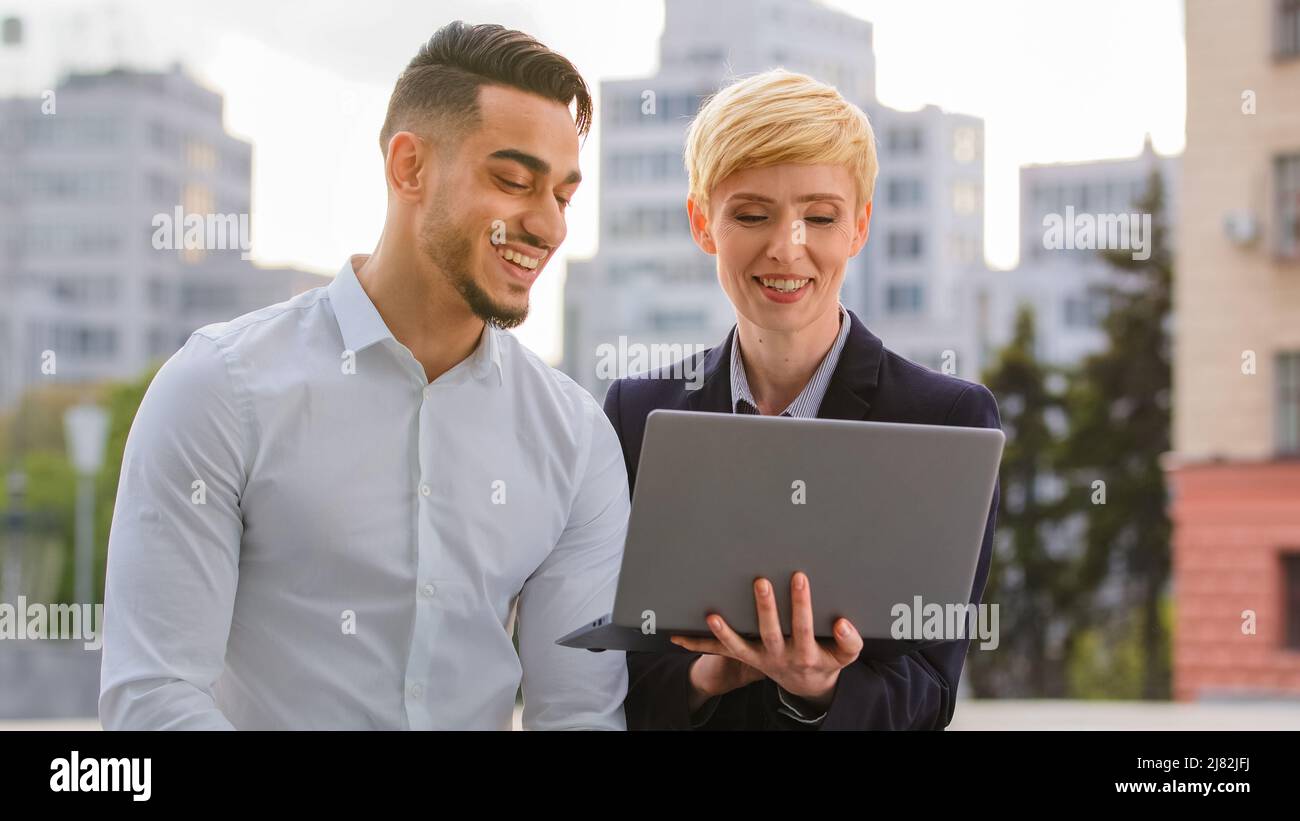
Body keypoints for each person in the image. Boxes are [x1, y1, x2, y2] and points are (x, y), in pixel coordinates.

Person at [100, 21, 629, 730]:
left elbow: (580, 714)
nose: (548, 226)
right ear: (409, 166)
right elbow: (155, 697)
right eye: (512, 181)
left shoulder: (576, 438)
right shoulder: (219, 389)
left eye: (562, 196)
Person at [603, 69, 1002, 730]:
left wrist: (819, 688)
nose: (788, 248)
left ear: (860, 226)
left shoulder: (946, 419)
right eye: (752, 214)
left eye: (819, 216)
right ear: (703, 222)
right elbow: (613, 674)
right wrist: (715, 671)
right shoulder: (634, 414)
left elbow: (930, 690)